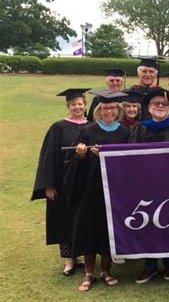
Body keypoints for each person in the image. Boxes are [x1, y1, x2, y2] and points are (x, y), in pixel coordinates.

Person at [63, 90, 130, 292]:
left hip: (115, 189)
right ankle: (89, 273)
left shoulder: (125, 132)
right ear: (99, 111)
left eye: (112, 108)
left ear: (118, 110)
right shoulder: (89, 131)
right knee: (89, 229)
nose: (109, 111)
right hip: (90, 189)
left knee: (109, 230)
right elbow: (74, 160)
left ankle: (106, 271)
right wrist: (81, 154)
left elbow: (129, 160)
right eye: (105, 108)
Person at [32, 88, 91, 276]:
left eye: (80, 103)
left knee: (82, 220)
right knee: (65, 220)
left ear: (85, 105)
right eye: (73, 104)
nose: (77, 107)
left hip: (85, 183)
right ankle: (69, 260)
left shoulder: (92, 126)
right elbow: (48, 157)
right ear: (68, 106)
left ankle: (82, 256)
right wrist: (49, 184)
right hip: (62, 183)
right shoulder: (58, 127)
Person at [131, 89, 169, 284]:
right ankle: (149, 266)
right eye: (156, 104)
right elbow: (129, 156)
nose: (160, 106)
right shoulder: (140, 128)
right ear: (149, 108)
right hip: (146, 184)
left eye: (165, 104)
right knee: (147, 223)